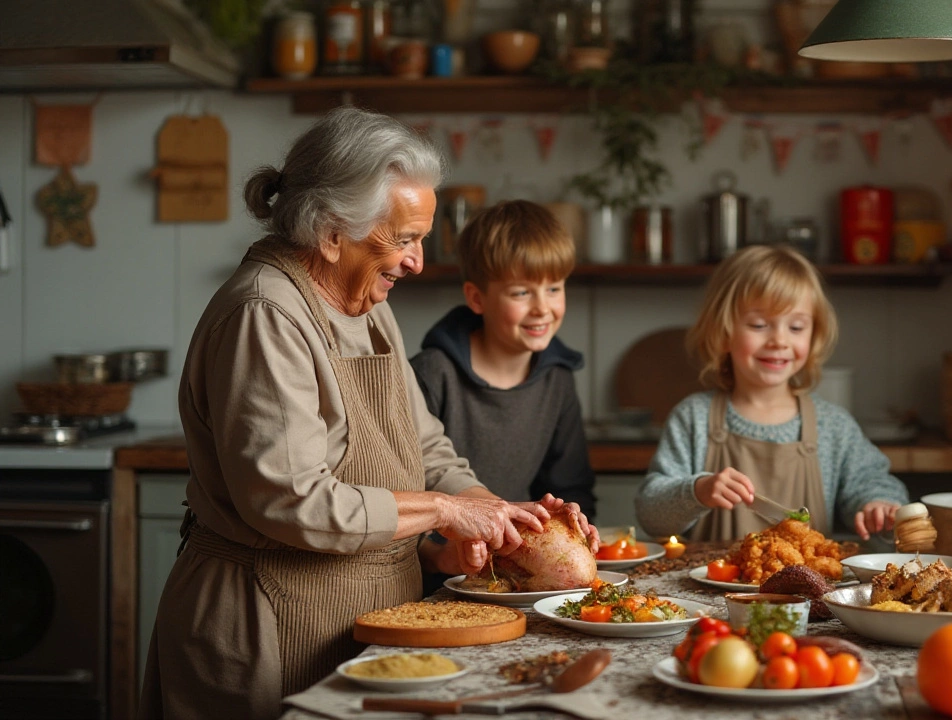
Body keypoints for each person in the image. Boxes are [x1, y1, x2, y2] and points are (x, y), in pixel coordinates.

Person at [139, 108, 579, 720]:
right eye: (402, 240)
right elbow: (289, 499)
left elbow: (423, 445)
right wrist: (446, 511)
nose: (417, 262)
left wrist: (494, 515)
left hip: (364, 617)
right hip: (267, 621)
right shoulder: (265, 315)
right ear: (329, 232)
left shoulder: (365, 302)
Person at [634, 244, 908, 542]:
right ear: (723, 332)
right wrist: (697, 491)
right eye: (759, 324)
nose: (779, 340)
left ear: (813, 335)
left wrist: (880, 505)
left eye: (796, 326)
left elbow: (873, 483)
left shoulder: (832, 425)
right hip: (707, 588)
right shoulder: (693, 418)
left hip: (810, 588)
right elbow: (650, 514)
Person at [409, 200, 596, 518]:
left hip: (519, 551)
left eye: (553, 288)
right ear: (477, 298)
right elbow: (407, 488)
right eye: (521, 293)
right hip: (441, 557)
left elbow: (570, 488)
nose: (542, 308)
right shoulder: (432, 374)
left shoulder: (558, 378)